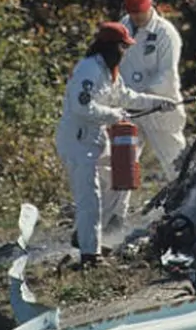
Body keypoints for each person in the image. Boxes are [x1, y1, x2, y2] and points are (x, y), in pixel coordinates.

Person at [55, 21, 179, 267]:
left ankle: (86, 235)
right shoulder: (88, 71)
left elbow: (127, 97)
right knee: (90, 198)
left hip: (98, 141)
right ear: (110, 46)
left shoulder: (110, 72)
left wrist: (158, 102)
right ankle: (91, 256)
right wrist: (114, 115)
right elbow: (83, 106)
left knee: (119, 185)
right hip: (79, 142)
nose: (126, 52)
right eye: (123, 46)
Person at [118, 0, 187, 180]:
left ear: (150, 6)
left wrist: (144, 97)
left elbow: (167, 74)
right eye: (133, 12)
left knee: (176, 164)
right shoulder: (123, 27)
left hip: (161, 107)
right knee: (121, 167)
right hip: (129, 109)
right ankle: (115, 210)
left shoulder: (166, 33)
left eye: (140, 11)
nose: (138, 17)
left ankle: (189, 205)